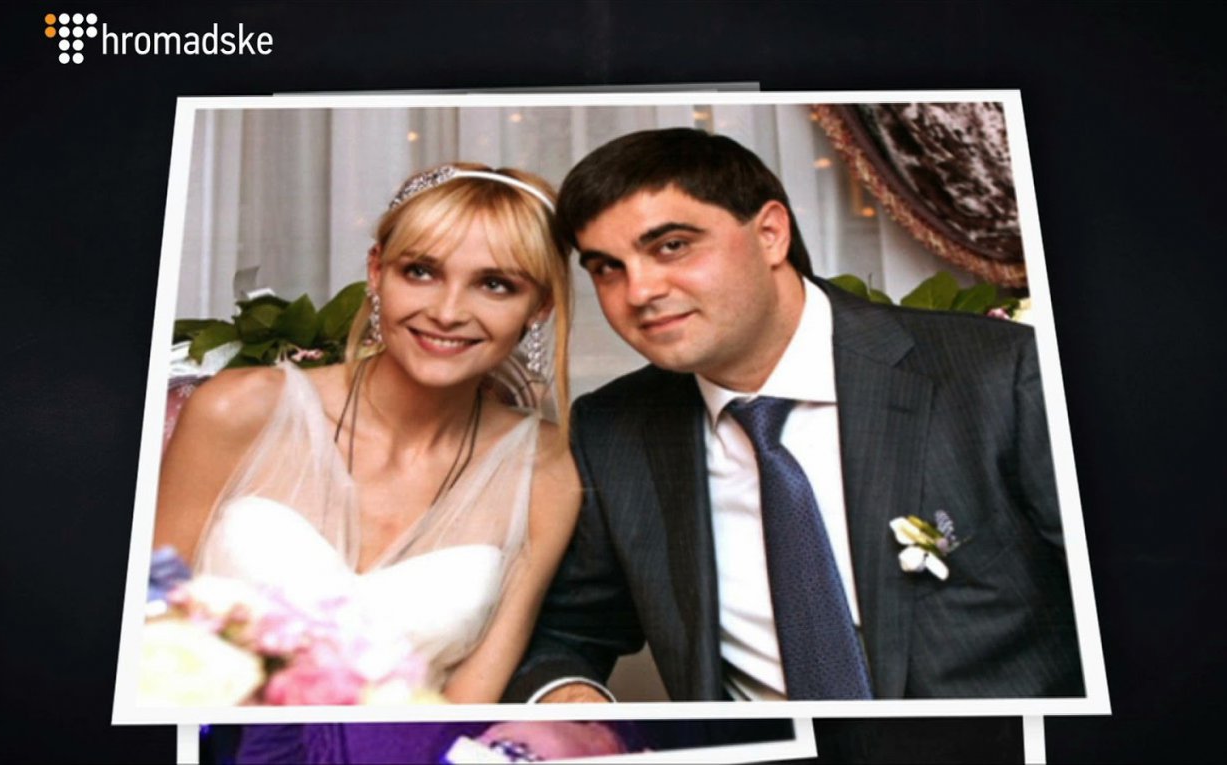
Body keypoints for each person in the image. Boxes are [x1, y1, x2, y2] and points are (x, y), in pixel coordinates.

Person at [503, 128, 1084, 742]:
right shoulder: (614, 428)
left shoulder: (998, 375)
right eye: (607, 269)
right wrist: (576, 703)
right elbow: (571, 630)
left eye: (672, 246)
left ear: (771, 233)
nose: (640, 292)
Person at [153, 162, 582, 708]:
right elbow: (146, 623)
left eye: (495, 285)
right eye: (421, 272)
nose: (447, 312)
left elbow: (470, 700)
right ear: (377, 271)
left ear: (539, 306)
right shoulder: (240, 410)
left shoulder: (545, 470)